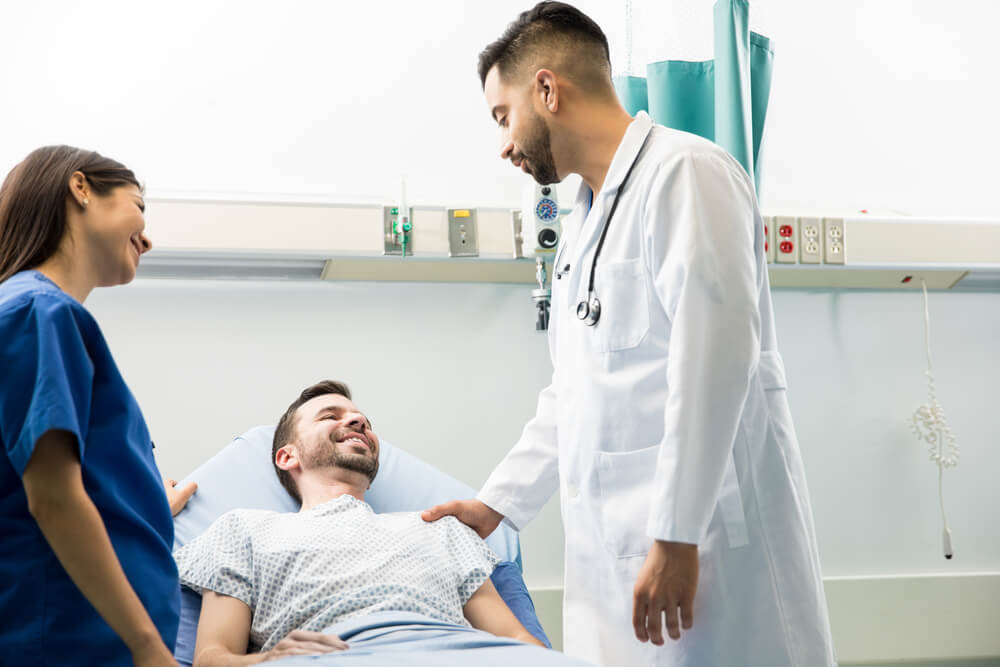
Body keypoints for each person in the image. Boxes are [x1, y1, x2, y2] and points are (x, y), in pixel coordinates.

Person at [421, 3, 836, 665]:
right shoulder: (581, 226)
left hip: (711, 553)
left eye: (503, 117)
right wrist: (495, 504)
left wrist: (675, 532)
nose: (502, 144)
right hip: (620, 562)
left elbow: (715, 358)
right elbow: (572, 394)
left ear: (547, 90)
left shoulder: (687, 176)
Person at [173, 381, 591, 666]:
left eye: (363, 421)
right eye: (329, 416)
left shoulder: (440, 528)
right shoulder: (243, 530)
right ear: (286, 456)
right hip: (335, 655)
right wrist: (266, 659)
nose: (357, 422)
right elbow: (212, 657)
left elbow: (519, 643)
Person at [0, 145, 196, 666]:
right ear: (81, 188)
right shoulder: (39, 312)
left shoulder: (31, 312)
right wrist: (150, 648)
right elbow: (54, 499)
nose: (148, 238)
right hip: (65, 640)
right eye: (139, 206)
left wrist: (144, 505)